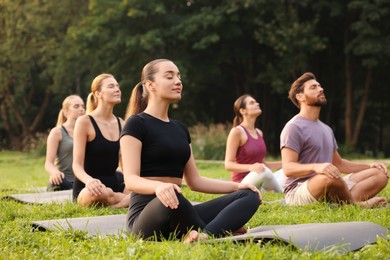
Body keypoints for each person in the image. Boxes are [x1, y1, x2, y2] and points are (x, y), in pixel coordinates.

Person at [120, 59, 261, 243]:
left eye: (178, 76)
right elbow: (130, 180)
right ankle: (218, 230)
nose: (178, 81)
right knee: (174, 197)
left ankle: (203, 235)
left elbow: (195, 181)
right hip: (147, 216)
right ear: (150, 85)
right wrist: (159, 187)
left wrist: (237, 186)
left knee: (249, 196)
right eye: (169, 76)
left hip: (180, 208)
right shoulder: (136, 124)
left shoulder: (180, 129)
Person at [280, 72, 389, 207]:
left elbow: (339, 164)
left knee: (380, 174)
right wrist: (317, 167)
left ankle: (345, 203)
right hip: (299, 191)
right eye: (313, 87)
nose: (321, 89)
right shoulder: (293, 127)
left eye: (320, 86)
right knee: (330, 177)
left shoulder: (326, 129)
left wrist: (370, 166)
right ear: (300, 96)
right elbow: (288, 168)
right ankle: (357, 205)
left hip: (331, 182)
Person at [72, 73, 130, 208]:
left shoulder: (122, 123)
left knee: (144, 191)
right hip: (90, 188)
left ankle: (115, 201)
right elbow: (76, 165)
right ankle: (122, 202)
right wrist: (90, 181)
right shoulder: (84, 122)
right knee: (96, 194)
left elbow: (125, 163)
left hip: (114, 184)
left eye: (117, 86)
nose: (117, 89)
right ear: (98, 94)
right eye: (111, 86)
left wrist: (128, 184)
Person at [225, 94, 284, 193]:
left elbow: (262, 164)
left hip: (261, 177)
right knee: (264, 172)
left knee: (286, 171)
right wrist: (251, 167)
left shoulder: (259, 132)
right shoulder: (237, 132)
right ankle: (283, 193)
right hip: (242, 182)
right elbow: (228, 164)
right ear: (243, 111)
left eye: (256, 102)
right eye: (252, 103)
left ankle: (274, 190)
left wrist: (286, 164)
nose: (257, 104)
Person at [44, 95, 85, 191]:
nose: (81, 109)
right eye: (76, 106)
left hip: (82, 181)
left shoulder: (87, 132)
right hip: (64, 181)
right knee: (58, 183)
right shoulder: (57, 132)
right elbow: (48, 163)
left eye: (83, 106)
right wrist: (54, 173)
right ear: (66, 112)